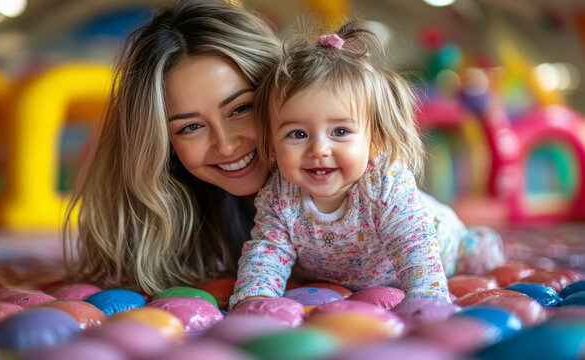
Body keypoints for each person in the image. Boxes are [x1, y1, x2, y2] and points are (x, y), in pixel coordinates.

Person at [229, 20, 504, 309]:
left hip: (445, 243)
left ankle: (479, 240)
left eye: (340, 132)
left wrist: (427, 298)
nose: (319, 149)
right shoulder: (278, 197)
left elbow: (413, 244)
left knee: (480, 254)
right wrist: (254, 298)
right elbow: (268, 251)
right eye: (297, 134)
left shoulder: (384, 183)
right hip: (351, 278)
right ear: (272, 145)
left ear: (374, 141)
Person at [63, 0, 281, 295]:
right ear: (162, 146)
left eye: (241, 108)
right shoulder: (182, 208)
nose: (226, 145)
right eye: (190, 127)